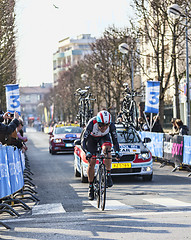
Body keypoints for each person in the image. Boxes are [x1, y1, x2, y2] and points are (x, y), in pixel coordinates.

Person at [81, 110, 120, 200]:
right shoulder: (91, 123)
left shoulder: (112, 126)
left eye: (106, 125)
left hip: (103, 138)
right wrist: (87, 152)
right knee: (92, 162)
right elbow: (83, 141)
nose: (103, 127)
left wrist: (117, 152)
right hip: (91, 140)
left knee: (107, 150)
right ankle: (91, 186)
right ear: (97, 122)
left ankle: (108, 174)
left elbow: (115, 141)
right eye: (101, 125)